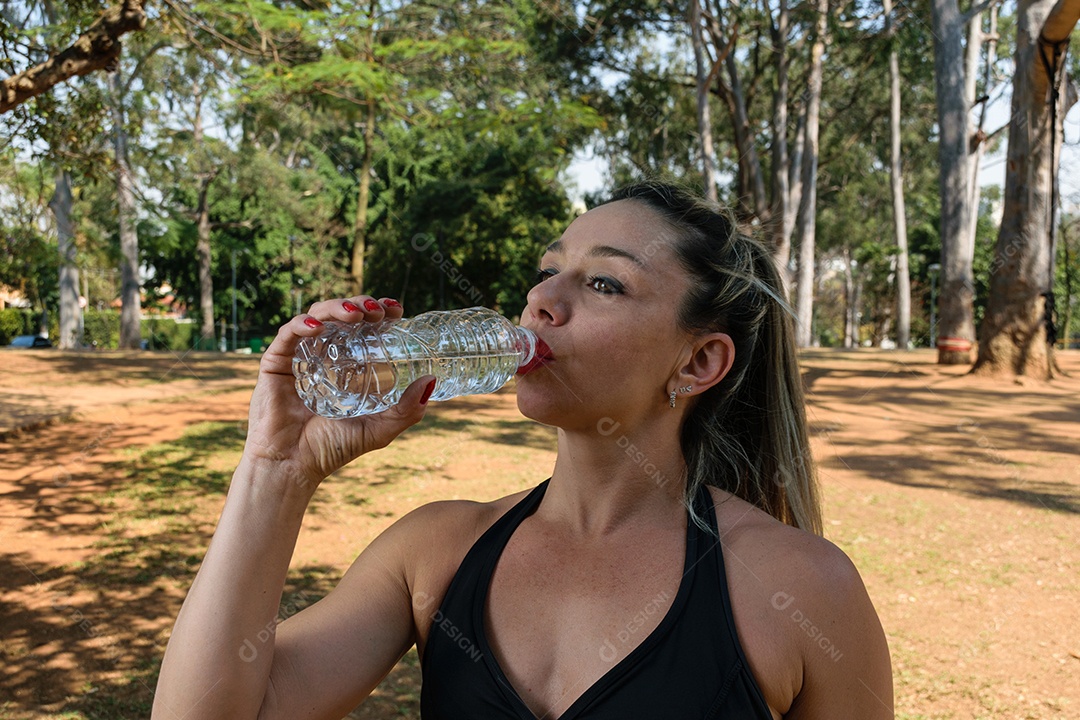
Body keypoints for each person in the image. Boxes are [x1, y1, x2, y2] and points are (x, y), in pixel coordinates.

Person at [153, 182, 893, 720]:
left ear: (698, 363)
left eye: (604, 282)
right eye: (548, 272)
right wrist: (274, 473)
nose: (543, 301)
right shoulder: (434, 553)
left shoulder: (799, 589)